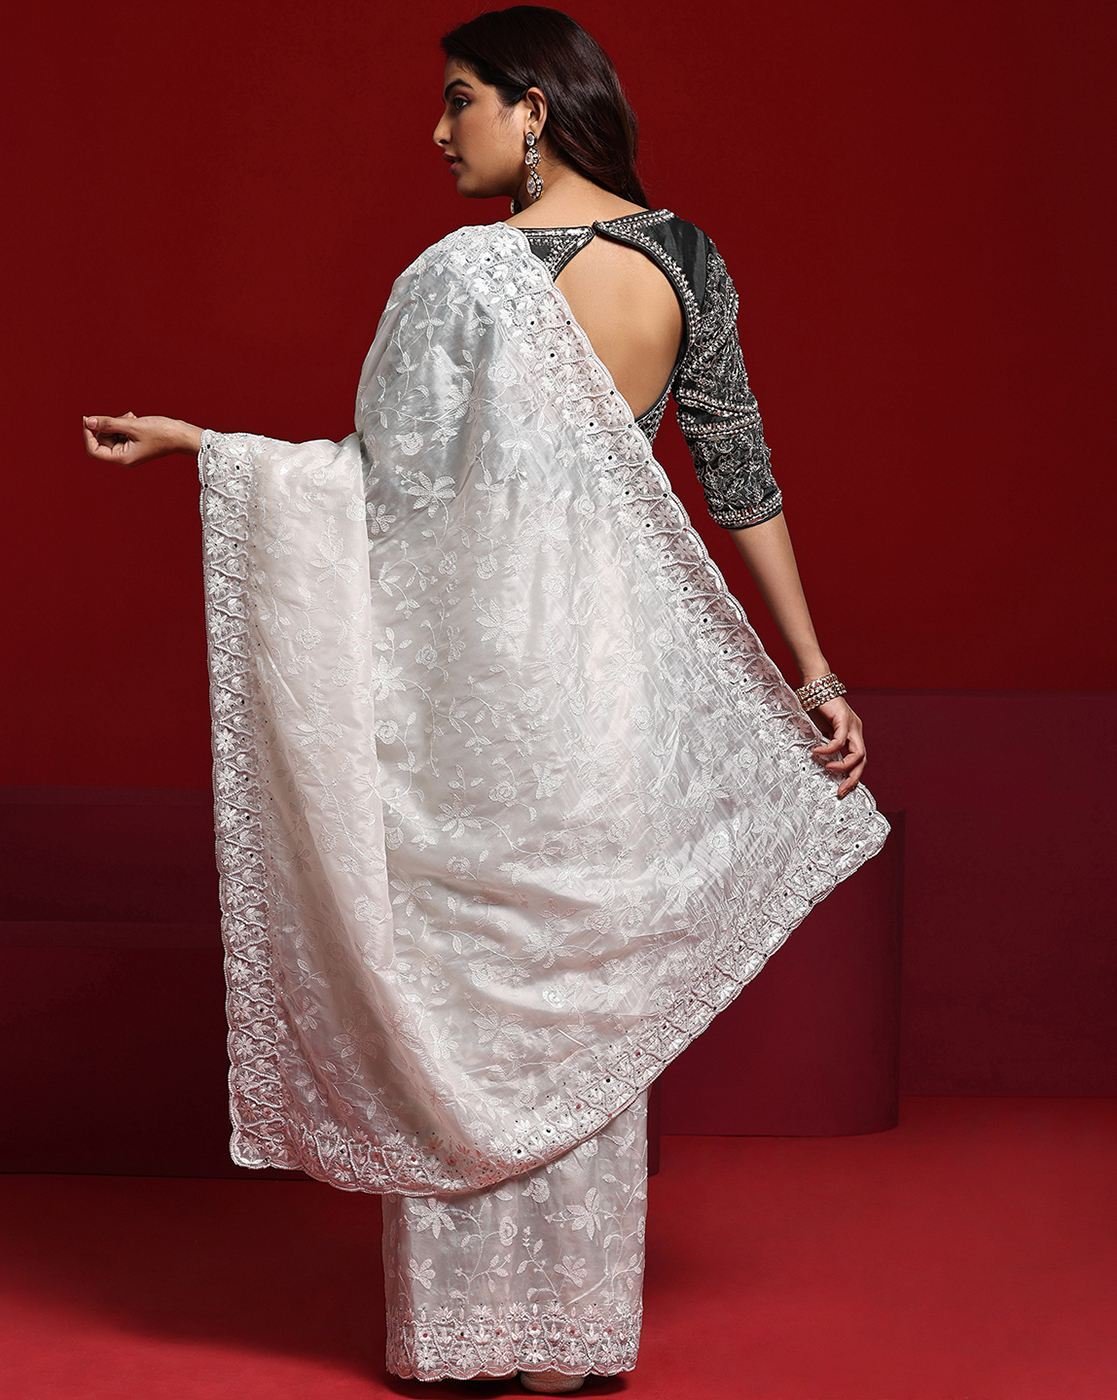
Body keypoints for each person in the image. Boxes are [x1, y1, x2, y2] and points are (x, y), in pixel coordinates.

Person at [81, 6, 891, 1393]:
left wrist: (208, 448)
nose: (437, 130)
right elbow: (737, 472)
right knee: (580, 983)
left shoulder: (460, 275)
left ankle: (468, 1336)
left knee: (470, 983)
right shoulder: (684, 258)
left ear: (533, 107)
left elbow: (376, 492)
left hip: (480, 696)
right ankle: (571, 1342)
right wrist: (811, 668)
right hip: (616, 685)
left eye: (459, 99)